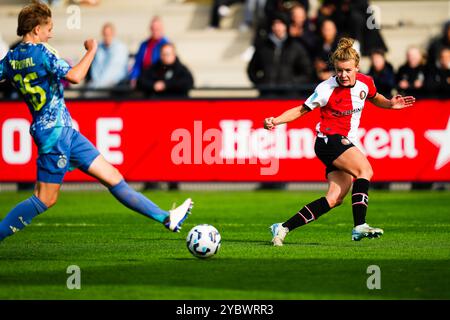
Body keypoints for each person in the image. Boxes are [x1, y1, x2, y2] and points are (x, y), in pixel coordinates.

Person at [0, 1, 193, 243]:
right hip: (55, 133)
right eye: (49, 27)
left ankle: (167, 217)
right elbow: (76, 76)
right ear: (37, 29)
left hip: (64, 131)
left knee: (112, 176)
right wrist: (92, 50)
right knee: (44, 198)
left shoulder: (11, 57)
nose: (52, 32)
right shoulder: (42, 52)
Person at [263, 38, 415, 246]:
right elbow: (301, 109)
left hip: (342, 141)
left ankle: (283, 227)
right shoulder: (326, 89)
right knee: (365, 171)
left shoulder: (366, 82)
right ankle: (359, 226)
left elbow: (375, 96)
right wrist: (276, 120)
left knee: (334, 199)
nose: (343, 75)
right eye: (339, 70)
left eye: (348, 70)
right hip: (328, 141)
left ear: (357, 68)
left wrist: (390, 104)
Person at [247, 13, 313, 97]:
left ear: (286, 26)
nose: (278, 27)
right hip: (267, 95)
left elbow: (307, 71)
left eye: (281, 24)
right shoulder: (263, 47)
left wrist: (292, 83)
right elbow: (251, 70)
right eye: (275, 24)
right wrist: (261, 83)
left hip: (289, 95)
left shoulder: (296, 46)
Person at [129, 16, 169, 89]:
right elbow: (137, 64)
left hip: (158, 80)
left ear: (162, 29)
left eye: (157, 29)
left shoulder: (166, 45)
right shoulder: (144, 45)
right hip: (145, 79)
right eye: (153, 29)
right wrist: (134, 76)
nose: (155, 31)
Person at [87, 22, 129, 89]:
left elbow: (114, 70)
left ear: (113, 34)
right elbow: (95, 68)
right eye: (105, 34)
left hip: (115, 85)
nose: (106, 37)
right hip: (98, 85)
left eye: (109, 34)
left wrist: (99, 84)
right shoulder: (99, 48)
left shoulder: (120, 48)